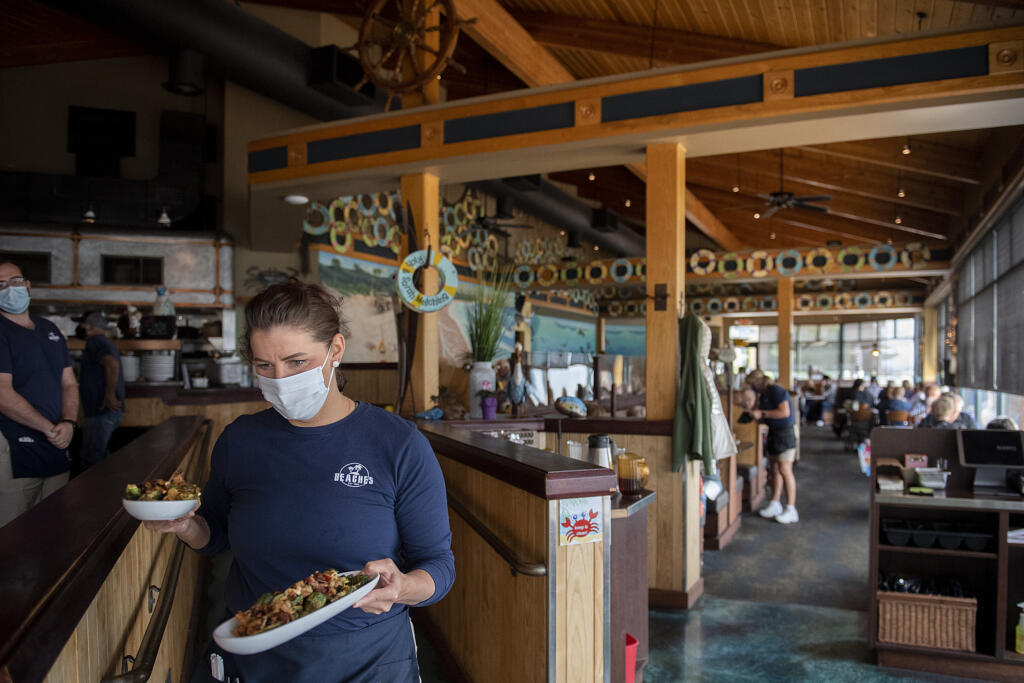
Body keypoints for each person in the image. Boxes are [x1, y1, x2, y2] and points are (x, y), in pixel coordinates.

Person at [142, 279, 454, 682]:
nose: (281, 379)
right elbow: (217, 537)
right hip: (256, 651)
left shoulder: (398, 445)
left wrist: (404, 586)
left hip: (367, 660)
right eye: (264, 366)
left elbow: (438, 566)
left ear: (335, 350)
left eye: (296, 362)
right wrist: (186, 525)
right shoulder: (240, 441)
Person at [0, 261, 79, 528]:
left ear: (28, 285)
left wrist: (68, 423)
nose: (9, 289)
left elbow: (69, 383)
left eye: (15, 281)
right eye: (0, 285)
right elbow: (2, 394)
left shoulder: (50, 329)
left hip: (56, 446)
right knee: (14, 534)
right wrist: (50, 429)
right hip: (14, 447)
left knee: (54, 529)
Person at [746, 369, 799, 524]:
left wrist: (762, 414)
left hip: (785, 433)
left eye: (753, 384)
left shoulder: (776, 390)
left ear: (758, 381)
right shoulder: (763, 394)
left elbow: (784, 412)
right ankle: (775, 503)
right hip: (774, 433)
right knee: (775, 469)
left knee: (785, 469)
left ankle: (791, 508)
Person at [75, 311, 125, 470]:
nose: (79, 328)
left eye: (82, 324)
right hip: (101, 411)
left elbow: (112, 364)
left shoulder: (95, 341)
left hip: (101, 410)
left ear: (90, 326)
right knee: (98, 456)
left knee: (92, 458)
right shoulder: (103, 342)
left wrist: (110, 395)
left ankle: (97, 493)